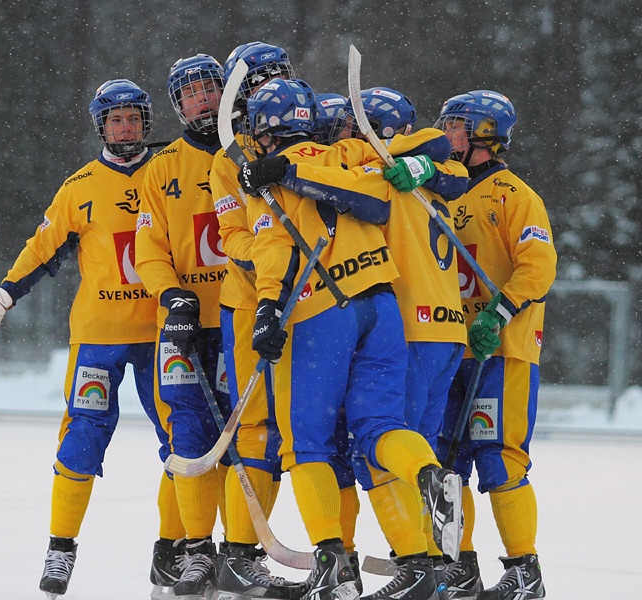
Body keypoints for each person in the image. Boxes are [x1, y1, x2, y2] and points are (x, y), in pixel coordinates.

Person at [237, 78, 461, 600]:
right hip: (381, 304)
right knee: (380, 427)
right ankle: (428, 476)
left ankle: (334, 565)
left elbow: (273, 250)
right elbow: (396, 175)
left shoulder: (267, 178)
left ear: (261, 130)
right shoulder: (348, 153)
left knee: (307, 442)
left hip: (321, 307)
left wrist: (268, 307)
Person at [0, 79, 182, 598]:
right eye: (115, 120)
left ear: (147, 123)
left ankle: (174, 550)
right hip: (100, 335)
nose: (126, 128)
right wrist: (2, 296)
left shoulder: (169, 171)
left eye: (133, 119)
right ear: (101, 127)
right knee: (82, 436)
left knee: (184, 437)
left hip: (164, 330)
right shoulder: (79, 187)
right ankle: (61, 548)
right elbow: (40, 250)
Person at [392, 90, 556, 600]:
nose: (448, 135)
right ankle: (458, 565)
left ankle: (525, 571)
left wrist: (499, 311)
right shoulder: (442, 189)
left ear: (487, 133)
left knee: (499, 456)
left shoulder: (514, 195)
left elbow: (538, 267)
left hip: (499, 350)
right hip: (448, 349)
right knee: (445, 462)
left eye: (458, 126)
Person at [208, 41, 313, 600]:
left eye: (277, 79)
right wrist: (279, 253)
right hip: (250, 301)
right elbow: (233, 238)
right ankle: (238, 556)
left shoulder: (311, 139)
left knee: (308, 430)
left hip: (315, 302)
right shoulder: (228, 162)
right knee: (256, 427)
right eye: (256, 82)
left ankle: (333, 549)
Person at [134, 53, 235, 599]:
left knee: (245, 441)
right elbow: (148, 249)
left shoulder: (251, 151)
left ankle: (241, 552)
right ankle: (192, 553)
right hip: (180, 326)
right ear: (177, 104)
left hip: (241, 319)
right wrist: (173, 296)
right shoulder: (162, 167)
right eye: (189, 92)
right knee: (187, 436)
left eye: (208, 88)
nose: (201, 98)